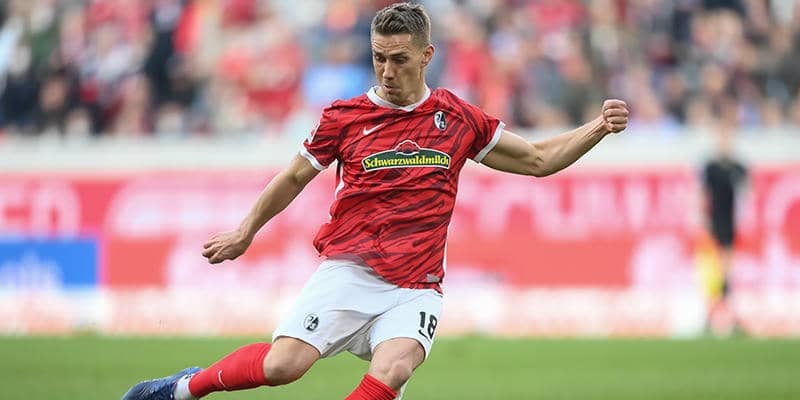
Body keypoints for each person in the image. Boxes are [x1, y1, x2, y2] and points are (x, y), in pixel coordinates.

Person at [121, 3, 629, 400]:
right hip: (350, 270)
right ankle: (184, 388)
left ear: (426, 56)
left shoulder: (457, 119)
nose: (386, 70)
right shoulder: (344, 117)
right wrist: (244, 231)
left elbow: (538, 160)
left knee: (395, 368)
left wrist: (598, 127)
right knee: (283, 367)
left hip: (417, 285)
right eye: (379, 57)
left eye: (399, 59)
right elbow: (294, 176)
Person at [700, 119, 747, 336]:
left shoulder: (739, 168)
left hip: (730, 224)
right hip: (713, 224)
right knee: (714, 271)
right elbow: (703, 195)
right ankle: (712, 316)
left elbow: (746, 197)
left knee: (727, 271)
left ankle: (726, 317)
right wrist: (703, 220)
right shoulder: (711, 168)